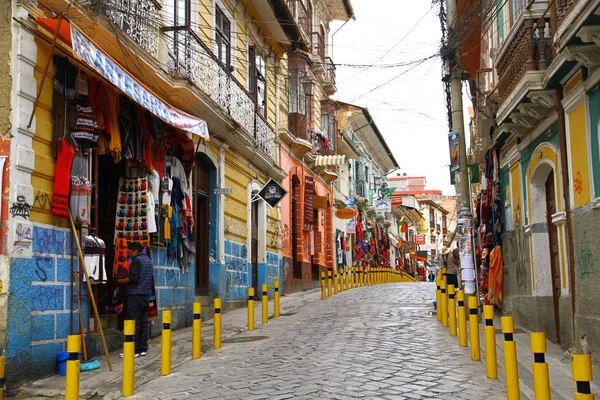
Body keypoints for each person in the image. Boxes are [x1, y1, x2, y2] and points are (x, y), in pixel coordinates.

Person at [116, 242, 154, 357]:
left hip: (135, 294)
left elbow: (133, 278)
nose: (129, 254)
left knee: (134, 322)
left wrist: (119, 281)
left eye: (130, 251)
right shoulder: (148, 260)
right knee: (143, 322)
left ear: (136, 251)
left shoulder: (136, 261)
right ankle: (143, 348)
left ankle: (134, 349)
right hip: (145, 294)